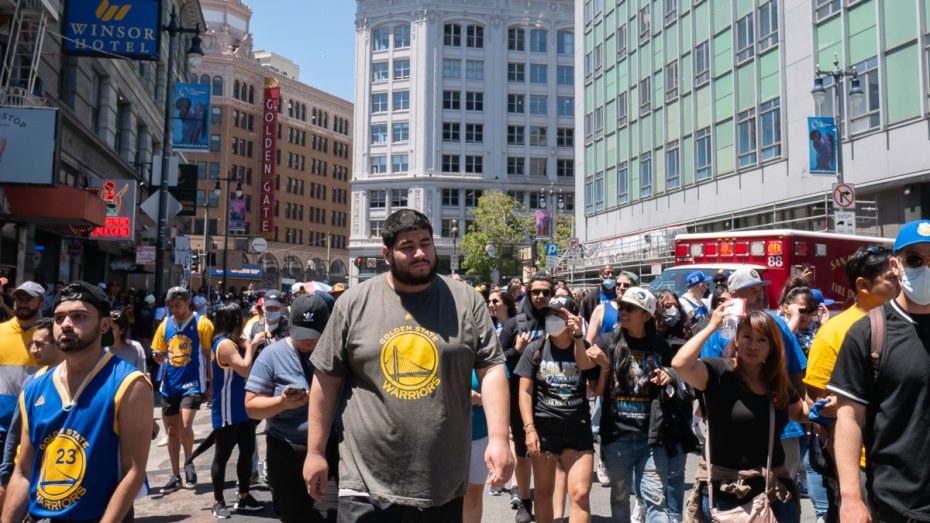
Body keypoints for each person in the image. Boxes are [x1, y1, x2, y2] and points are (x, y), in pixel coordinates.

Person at [303, 209, 513, 521]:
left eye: (425, 243)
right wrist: (316, 452)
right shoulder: (353, 303)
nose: (420, 253)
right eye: (407, 246)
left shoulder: (466, 300)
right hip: (364, 485)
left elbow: (491, 368)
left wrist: (498, 438)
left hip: (440, 483)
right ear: (386, 253)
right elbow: (326, 379)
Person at [2, 281, 152, 523]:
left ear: (104, 325)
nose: (66, 324)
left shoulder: (129, 384)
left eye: (79, 316)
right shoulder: (34, 387)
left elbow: (133, 472)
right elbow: (23, 472)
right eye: (59, 318)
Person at [829, 222, 930, 522]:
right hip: (897, 505)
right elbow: (849, 418)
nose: (925, 267)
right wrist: (850, 499)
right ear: (895, 265)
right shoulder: (869, 332)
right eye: (915, 259)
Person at [672, 308, 809, 523]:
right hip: (727, 493)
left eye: (761, 340)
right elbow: (680, 364)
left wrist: (827, 406)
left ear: (772, 347)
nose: (752, 345)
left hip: (773, 492)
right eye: (747, 336)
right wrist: (711, 327)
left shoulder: (777, 381)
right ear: (736, 339)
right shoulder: (719, 371)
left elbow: (801, 413)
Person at [802, 245, 896, 523]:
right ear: (863, 285)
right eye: (892, 279)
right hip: (862, 466)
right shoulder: (834, 332)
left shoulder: (909, 323)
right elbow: (818, 406)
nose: (900, 284)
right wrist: (847, 480)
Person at [588, 288, 684, 523]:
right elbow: (597, 391)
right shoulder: (607, 342)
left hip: (651, 437)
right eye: (622, 306)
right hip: (617, 436)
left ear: (647, 315)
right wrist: (603, 366)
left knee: (654, 499)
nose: (624, 312)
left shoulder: (660, 346)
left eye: (631, 308)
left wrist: (668, 375)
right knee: (620, 497)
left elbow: (678, 377)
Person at [246, 294, 332, 522]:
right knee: (295, 515)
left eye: (315, 336)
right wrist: (281, 403)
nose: (308, 342)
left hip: (331, 446)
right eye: (302, 335)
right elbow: (252, 408)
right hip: (286, 449)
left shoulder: (337, 353)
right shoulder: (272, 355)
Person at [516, 295, 598, 523]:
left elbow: (592, 377)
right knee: (543, 493)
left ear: (572, 318)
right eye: (549, 315)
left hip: (578, 428)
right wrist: (529, 429)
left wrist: (579, 338)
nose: (552, 320)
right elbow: (524, 392)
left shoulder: (583, 347)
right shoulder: (536, 348)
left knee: (581, 493)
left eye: (558, 315)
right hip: (544, 429)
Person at [499, 271, 555, 522]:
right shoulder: (514, 324)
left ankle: (548, 498)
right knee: (522, 452)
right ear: (528, 294)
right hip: (518, 397)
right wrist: (516, 350)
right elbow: (497, 361)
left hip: (552, 396)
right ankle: (524, 500)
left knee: (549, 452)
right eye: (536, 292)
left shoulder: (557, 321)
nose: (541, 296)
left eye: (546, 292)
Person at [151, 286, 214, 492]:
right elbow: (158, 350)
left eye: (177, 305)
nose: (173, 310)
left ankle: (189, 463)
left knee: (185, 425)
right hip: (170, 384)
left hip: (193, 383)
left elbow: (208, 354)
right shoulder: (165, 324)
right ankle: (175, 474)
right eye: (170, 306)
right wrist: (158, 357)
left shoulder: (202, 324)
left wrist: (211, 382)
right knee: (171, 431)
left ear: (188, 303)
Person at [0, 318, 62, 502]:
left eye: (39, 344)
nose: (33, 350)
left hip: (58, 478)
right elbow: (16, 429)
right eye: (31, 344)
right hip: (26, 475)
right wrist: (4, 474)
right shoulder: (31, 382)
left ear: (58, 343)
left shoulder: (76, 381)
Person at [209, 303, 261, 518]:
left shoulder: (231, 342)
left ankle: (244, 495)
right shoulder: (225, 345)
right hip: (227, 409)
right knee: (222, 455)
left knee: (247, 451)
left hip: (242, 407)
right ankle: (218, 500)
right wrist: (251, 346)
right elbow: (244, 368)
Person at [0, 282, 43, 462]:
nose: (22, 303)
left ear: (42, 303)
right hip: (2, 425)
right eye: (18, 298)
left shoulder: (50, 336)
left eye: (29, 299)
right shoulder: (1, 331)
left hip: (35, 424)